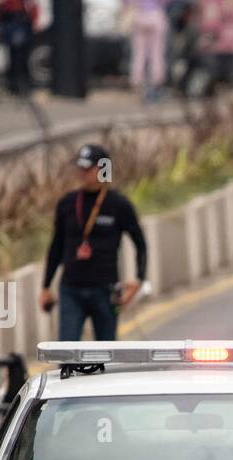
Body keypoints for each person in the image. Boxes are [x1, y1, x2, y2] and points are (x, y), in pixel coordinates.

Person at [40, 144, 148, 341]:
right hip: (71, 289)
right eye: (80, 168)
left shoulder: (118, 205)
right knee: (68, 352)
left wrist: (139, 280)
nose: (83, 173)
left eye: (88, 169)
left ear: (104, 169)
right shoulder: (67, 203)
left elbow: (140, 243)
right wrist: (46, 286)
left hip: (105, 291)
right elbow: (56, 246)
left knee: (105, 355)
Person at [126, 0, 171, 101]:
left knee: (139, 55)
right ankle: (155, 85)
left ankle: (137, 83)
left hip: (138, 16)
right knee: (157, 54)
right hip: (156, 15)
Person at [0, 0, 38, 96]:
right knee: (12, 55)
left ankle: (19, 85)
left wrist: (34, 20)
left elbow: (32, 6)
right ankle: (14, 85)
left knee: (20, 56)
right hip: (8, 19)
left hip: (19, 19)